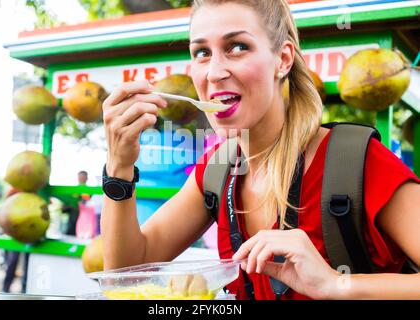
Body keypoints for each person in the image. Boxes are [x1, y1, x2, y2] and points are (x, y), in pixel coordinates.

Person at [100, 0, 420, 300]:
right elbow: (127, 272)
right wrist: (119, 167)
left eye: (237, 47)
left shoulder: (358, 164)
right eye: (201, 52)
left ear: (282, 59)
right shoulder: (217, 172)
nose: (214, 72)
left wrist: (336, 283)